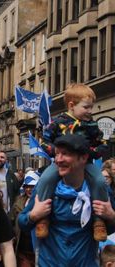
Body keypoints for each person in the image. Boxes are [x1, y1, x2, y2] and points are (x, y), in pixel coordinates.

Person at [18, 134, 115, 267]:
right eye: (57, 154)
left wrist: (111, 216)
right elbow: (22, 223)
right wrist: (33, 216)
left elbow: (108, 231)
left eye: (65, 154)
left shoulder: (97, 191)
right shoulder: (46, 188)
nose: (58, 160)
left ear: (83, 158)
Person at [36, 83, 109, 241]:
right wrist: (56, 154)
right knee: (45, 180)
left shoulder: (91, 124)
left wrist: (91, 153)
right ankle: (43, 217)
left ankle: (99, 221)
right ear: (71, 105)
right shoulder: (57, 122)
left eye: (91, 107)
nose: (90, 111)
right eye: (86, 107)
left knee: (100, 181)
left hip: (86, 163)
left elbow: (102, 143)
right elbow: (44, 141)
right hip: (60, 163)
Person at [9, 170, 40, 267]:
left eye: (33, 187)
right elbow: (11, 221)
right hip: (22, 248)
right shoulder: (18, 202)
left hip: (39, 248)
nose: (29, 190)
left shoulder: (44, 202)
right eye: (27, 187)